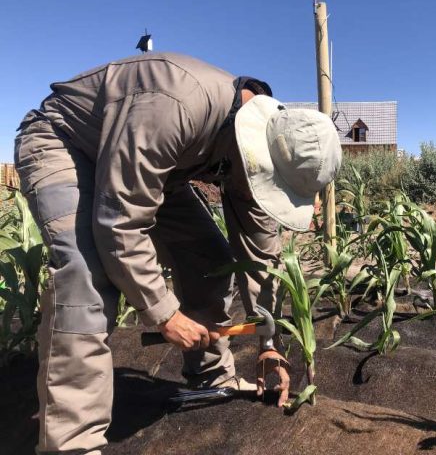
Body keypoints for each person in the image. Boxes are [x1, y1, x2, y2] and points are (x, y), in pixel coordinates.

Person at [14, 52, 342, 455]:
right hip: (68, 144)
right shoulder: (175, 106)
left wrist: (268, 341)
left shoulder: (258, 153)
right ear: (254, 148)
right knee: (86, 279)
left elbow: (260, 256)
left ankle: (210, 376)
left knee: (209, 259)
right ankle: (72, 444)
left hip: (157, 173)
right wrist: (165, 312)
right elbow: (119, 222)